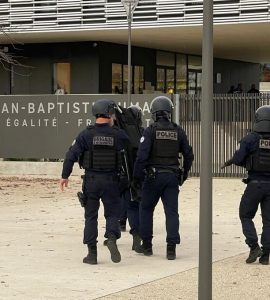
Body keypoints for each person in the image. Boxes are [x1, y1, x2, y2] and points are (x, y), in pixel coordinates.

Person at [60, 99, 129, 265]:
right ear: (110, 114)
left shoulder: (86, 134)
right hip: (112, 180)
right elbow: (130, 147)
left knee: (91, 216)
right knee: (112, 213)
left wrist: (65, 175)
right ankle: (111, 238)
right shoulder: (118, 134)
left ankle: (92, 254)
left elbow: (71, 155)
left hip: (91, 181)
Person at [132, 96, 194, 260]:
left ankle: (147, 246)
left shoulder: (150, 130)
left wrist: (136, 179)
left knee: (146, 209)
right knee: (172, 212)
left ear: (153, 113)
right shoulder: (178, 130)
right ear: (169, 112)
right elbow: (189, 154)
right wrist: (184, 173)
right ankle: (171, 248)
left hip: (153, 177)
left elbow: (141, 157)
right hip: (172, 176)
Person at [222, 105, 270, 265]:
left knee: (245, 215)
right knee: (268, 221)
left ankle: (254, 246)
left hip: (255, 184)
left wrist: (246, 163)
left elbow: (238, 158)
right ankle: (266, 255)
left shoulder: (250, 138)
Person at [118, 105, 144, 250]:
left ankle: (112, 234)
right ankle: (137, 235)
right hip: (135, 174)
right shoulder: (141, 132)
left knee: (113, 206)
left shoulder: (119, 132)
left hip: (119, 174)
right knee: (135, 205)